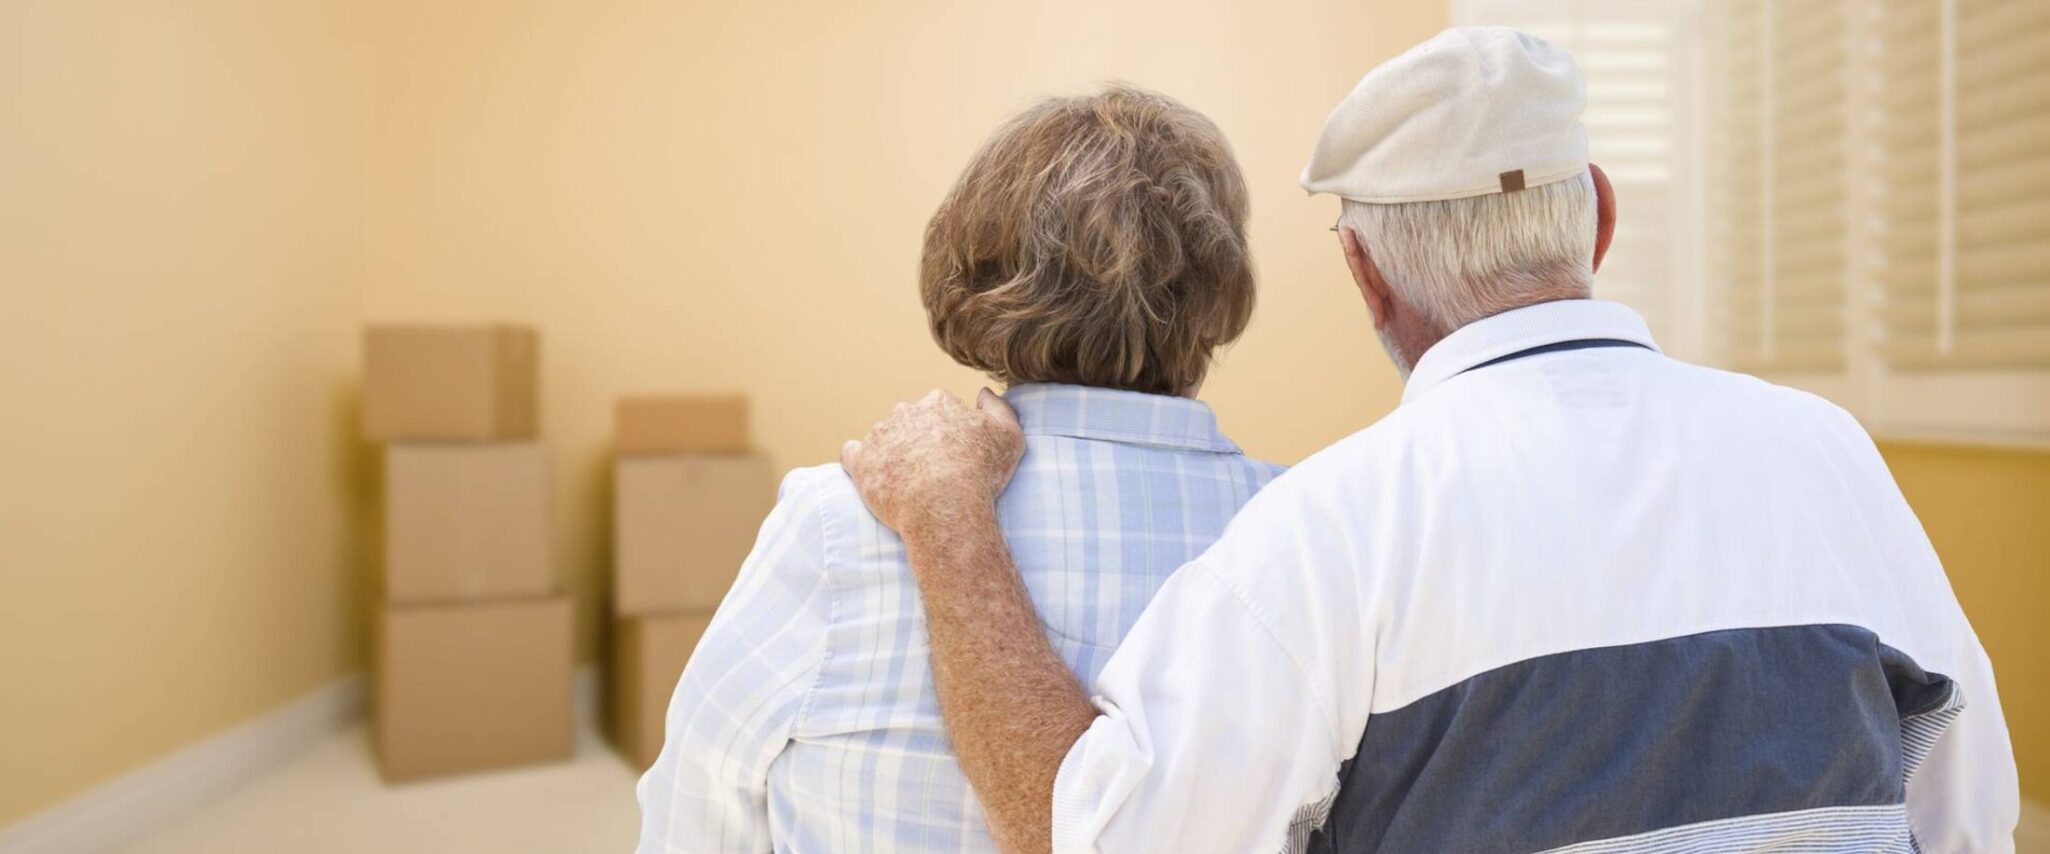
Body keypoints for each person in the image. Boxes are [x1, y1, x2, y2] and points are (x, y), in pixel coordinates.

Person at [837, 27, 2021, 854]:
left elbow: (1098, 836)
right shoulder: (1826, 453)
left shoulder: (1334, 528)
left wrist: (946, 517)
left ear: (1362, 273)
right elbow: (1969, 819)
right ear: (1597, 215)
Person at [635, 85, 1284, 852]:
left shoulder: (845, 522)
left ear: (979, 272)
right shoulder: (1304, 531)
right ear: (1218, 292)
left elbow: (696, 813)